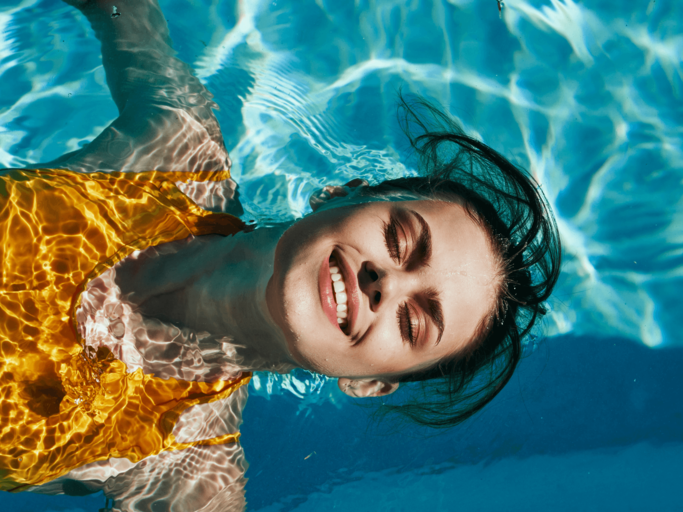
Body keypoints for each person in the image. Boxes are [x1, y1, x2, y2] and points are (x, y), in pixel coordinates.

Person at [0, 0, 561, 510]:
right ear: (346, 193)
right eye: (399, 241)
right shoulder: (174, 152)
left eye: (413, 321)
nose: (385, 284)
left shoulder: (188, 471)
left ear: (370, 384)